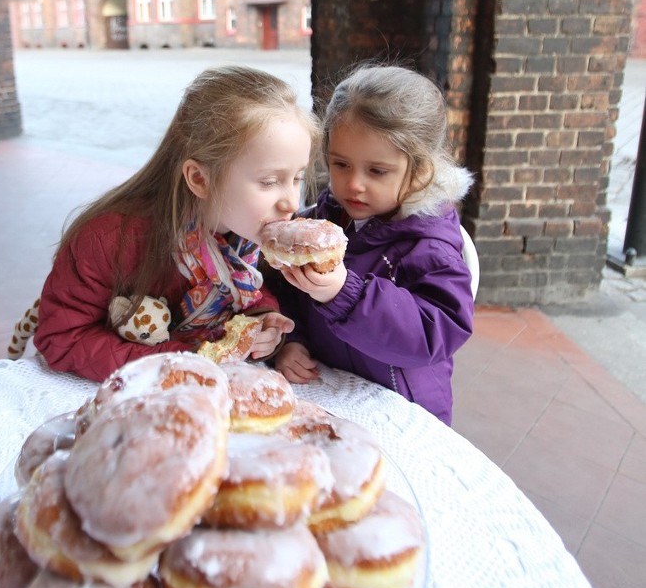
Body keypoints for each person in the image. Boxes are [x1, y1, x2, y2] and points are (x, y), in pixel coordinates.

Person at [34, 65, 319, 383]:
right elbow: (61, 338)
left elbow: (248, 286)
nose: (292, 203)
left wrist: (261, 320)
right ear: (200, 178)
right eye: (269, 181)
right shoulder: (108, 240)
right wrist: (179, 362)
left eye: (297, 178)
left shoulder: (248, 230)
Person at [272, 64, 475, 424]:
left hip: (403, 410)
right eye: (341, 164)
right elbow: (287, 293)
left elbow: (435, 332)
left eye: (376, 171)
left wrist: (344, 293)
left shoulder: (429, 246)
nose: (354, 185)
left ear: (421, 171)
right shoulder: (323, 220)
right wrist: (292, 340)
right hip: (331, 391)